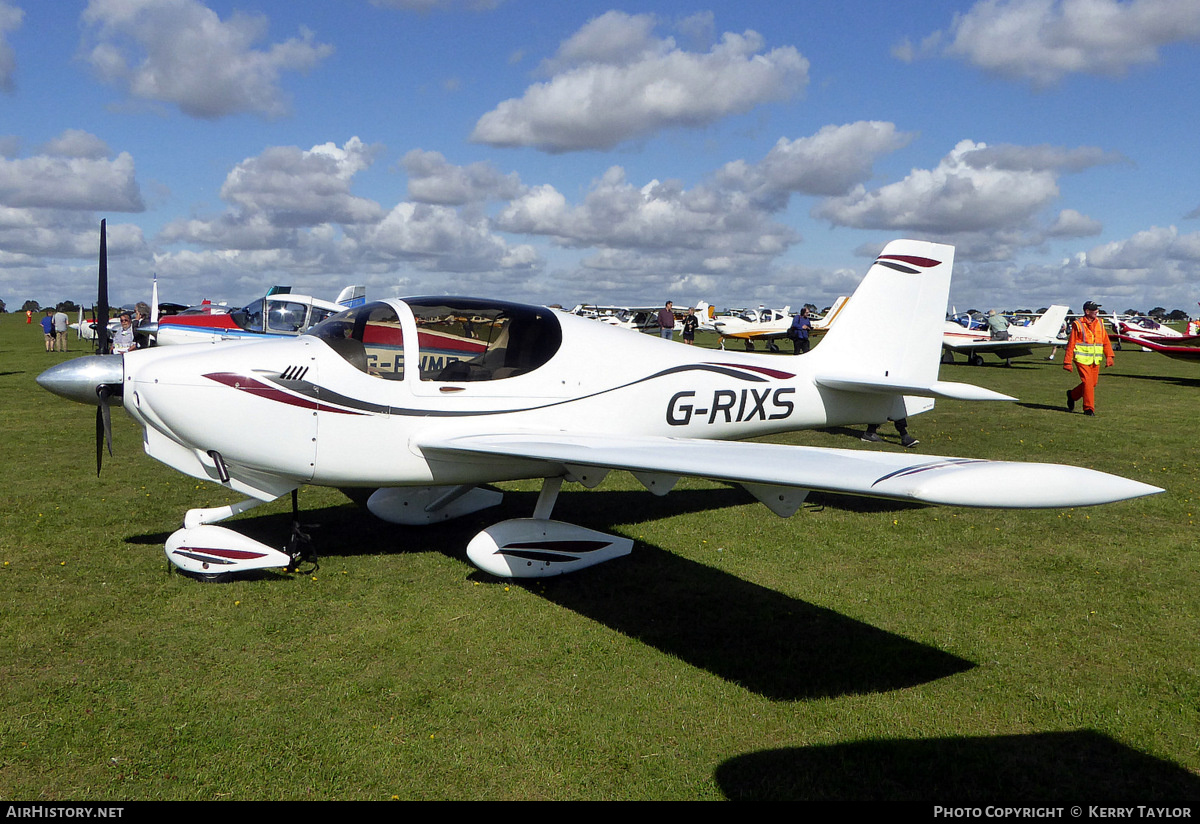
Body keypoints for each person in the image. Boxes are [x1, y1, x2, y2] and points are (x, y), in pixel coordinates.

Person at [1063, 300, 1113, 417]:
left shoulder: (1100, 323)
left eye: (1097, 309)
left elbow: (1105, 341)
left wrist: (1109, 356)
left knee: (1092, 383)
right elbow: (1071, 344)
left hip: (1095, 360)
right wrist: (1067, 362)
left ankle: (1072, 395)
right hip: (1081, 359)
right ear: (1087, 311)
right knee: (1088, 382)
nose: (1097, 311)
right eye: (1094, 309)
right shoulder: (1078, 324)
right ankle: (1088, 408)